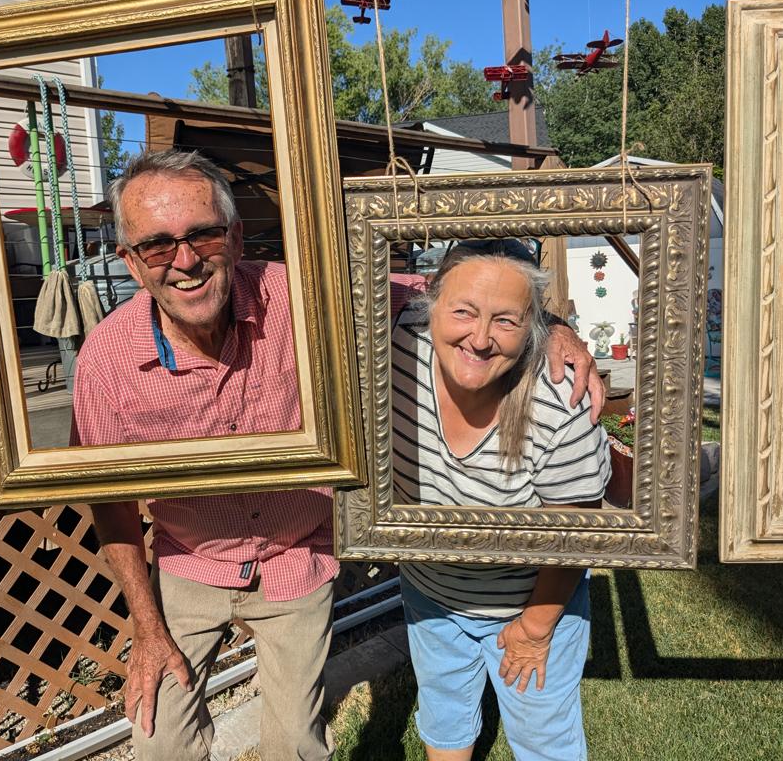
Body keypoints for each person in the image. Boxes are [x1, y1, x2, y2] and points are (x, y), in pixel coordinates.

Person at [71, 149, 604, 761]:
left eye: (203, 235)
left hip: (297, 556)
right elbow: (109, 500)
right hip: (190, 560)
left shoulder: (303, 298)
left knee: (294, 745)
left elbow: (449, 297)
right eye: (158, 246)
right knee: (160, 742)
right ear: (130, 261)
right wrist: (145, 626)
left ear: (235, 238)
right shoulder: (105, 361)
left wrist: (549, 325)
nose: (186, 260)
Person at [393, 239, 611, 761]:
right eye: (463, 312)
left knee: (543, 739)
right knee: (443, 714)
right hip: (430, 590)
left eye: (506, 321)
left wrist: (534, 630)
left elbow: (572, 538)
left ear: (533, 324)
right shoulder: (398, 343)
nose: (480, 338)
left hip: (529, 602)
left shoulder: (558, 402)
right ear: (430, 301)